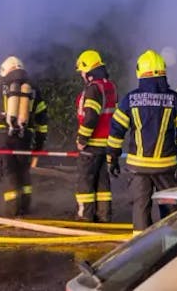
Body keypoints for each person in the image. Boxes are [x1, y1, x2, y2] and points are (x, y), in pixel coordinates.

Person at [107, 49, 177, 231]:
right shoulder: (174, 99)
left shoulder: (130, 100)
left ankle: (142, 253)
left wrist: (111, 158)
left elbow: (116, 132)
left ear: (139, 72)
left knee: (140, 209)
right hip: (166, 167)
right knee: (170, 211)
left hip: (138, 168)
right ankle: (171, 248)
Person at [0, 55, 48, 216]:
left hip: (4, 136)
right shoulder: (33, 89)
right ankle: (25, 208)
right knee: (23, 171)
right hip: (25, 136)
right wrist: (39, 143)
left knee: (9, 171)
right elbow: (42, 119)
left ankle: (12, 210)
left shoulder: (0, 87)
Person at [72, 48, 117, 222]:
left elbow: (90, 117)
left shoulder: (93, 89)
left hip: (91, 144)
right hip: (107, 144)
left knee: (85, 182)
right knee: (103, 183)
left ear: (88, 70)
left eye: (82, 71)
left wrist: (82, 139)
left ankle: (85, 217)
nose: (81, 75)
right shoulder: (110, 86)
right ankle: (104, 216)